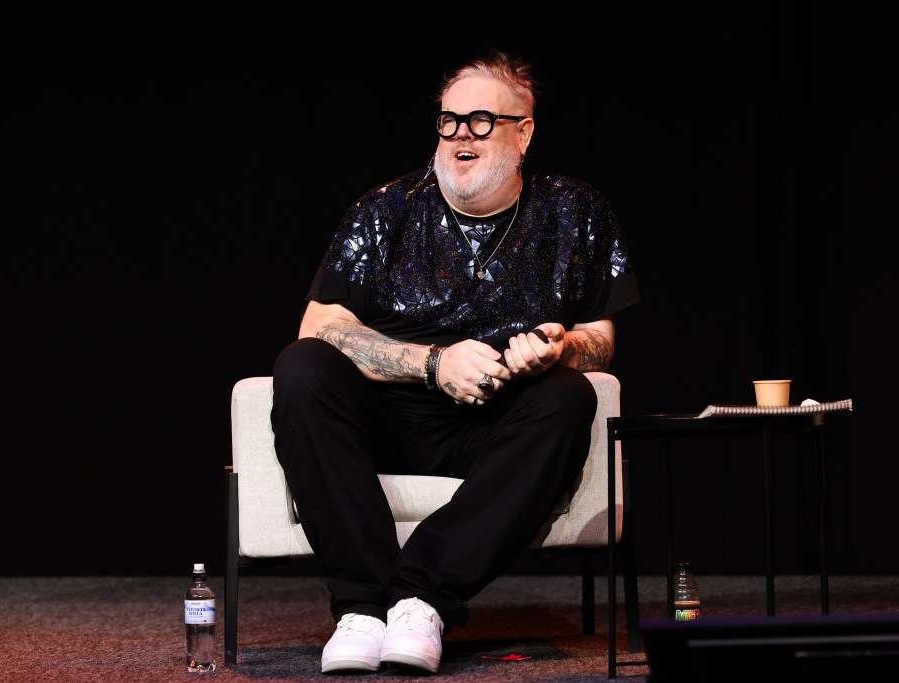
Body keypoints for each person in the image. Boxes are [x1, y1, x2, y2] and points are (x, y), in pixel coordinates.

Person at [270, 49, 640, 675]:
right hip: (386, 419)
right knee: (302, 365)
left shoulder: (576, 211)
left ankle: (420, 598)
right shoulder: (384, 209)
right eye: (450, 120)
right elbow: (320, 323)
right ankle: (361, 608)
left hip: (494, 422)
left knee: (570, 396)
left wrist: (557, 350)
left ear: (524, 131)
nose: (461, 134)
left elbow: (600, 335)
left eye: (481, 120)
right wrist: (432, 362)